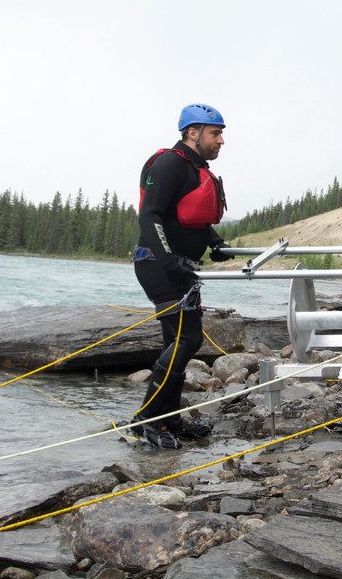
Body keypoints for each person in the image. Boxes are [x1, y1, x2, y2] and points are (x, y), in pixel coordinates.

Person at [130, 103, 235, 449]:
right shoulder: (170, 163)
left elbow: (191, 219)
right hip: (157, 264)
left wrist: (215, 242)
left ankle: (168, 419)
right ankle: (146, 418)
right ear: (193, 132)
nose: (221, 141)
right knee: (187, 340)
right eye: (215, 133)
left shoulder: (195, 168)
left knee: (177, 341)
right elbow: (151, 215)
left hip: (180, 268)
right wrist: (169, 260)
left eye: (220, 134)